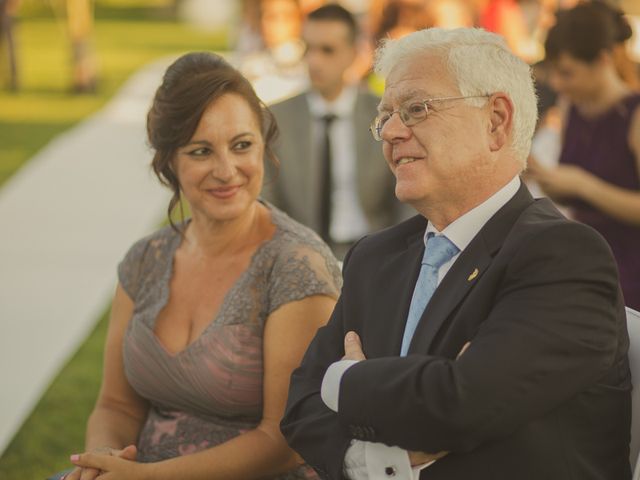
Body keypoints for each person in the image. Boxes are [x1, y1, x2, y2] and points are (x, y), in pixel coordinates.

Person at [281, 27, 631, 480]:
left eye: (416, 109)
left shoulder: (563, 255)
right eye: (384, 117)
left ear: (496, 121)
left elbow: (458, 404)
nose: (388, 131)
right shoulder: (376, 256)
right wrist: (371, 463)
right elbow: (300, 406)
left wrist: (345, 379)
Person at [58, 52, 341, 480]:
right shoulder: (144, 260)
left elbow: (284, 439)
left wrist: (148, 478)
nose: (227, 171)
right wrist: (104, 461)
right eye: (201, 151)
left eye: (242, 145)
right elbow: (116, 405)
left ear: (264, 146)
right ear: (169, 160)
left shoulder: (298, 268)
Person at [263, 4, 403, 259]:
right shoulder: (275, 120)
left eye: (327, 50)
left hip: (375, 251)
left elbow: (406, 196)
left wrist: (398, 254)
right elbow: (266, 202)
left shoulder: (386, 115)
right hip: (298, 254)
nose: (314, 61)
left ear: (352, 53)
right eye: (308, 49)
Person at [529, 2, 640, 310]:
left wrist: (583, 184)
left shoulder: (634, 116)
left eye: (567, 73)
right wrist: (542, 178)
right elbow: (571, 196)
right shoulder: (571, 107)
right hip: (583, 262)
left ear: (602, 60)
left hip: (630, 274)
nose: (557, 83)